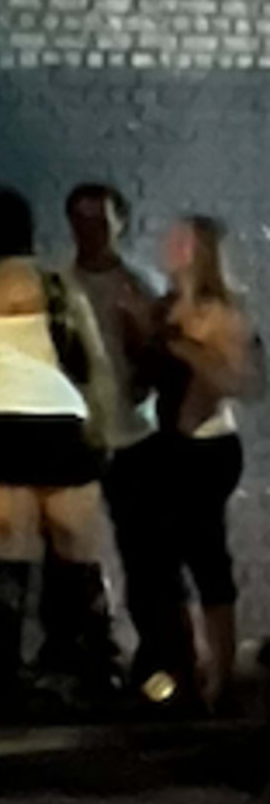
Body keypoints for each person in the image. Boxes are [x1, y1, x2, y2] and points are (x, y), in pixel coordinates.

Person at [0, 186, 119, 710]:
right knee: (78, 552)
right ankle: (95, 670)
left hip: (1, 423)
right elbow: (93, 360)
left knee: (10, 555)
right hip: (62, 420)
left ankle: (9, 676)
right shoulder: (57, 284)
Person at [63, 180, 181, 693]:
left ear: (120, 222)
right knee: (77, 555)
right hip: (79, 435)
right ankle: (94, 659)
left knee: (145, 556)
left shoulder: (139, 284)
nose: (90, 229)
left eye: (100, 218)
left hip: (136, 436)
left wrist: (146, 356)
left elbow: (164, 362)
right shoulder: (60, 286)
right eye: (81, 218)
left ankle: (158, 661)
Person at [148, 214, 259, 710]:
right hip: (171, 444)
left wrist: (187, 349)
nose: (171, 247)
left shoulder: (220, 312)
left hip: (209, 446)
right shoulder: (166, 307)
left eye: (182, 242)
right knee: (170, 556)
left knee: (208, 555)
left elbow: (247, 383)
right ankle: (189, 665)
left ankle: (221, 670)